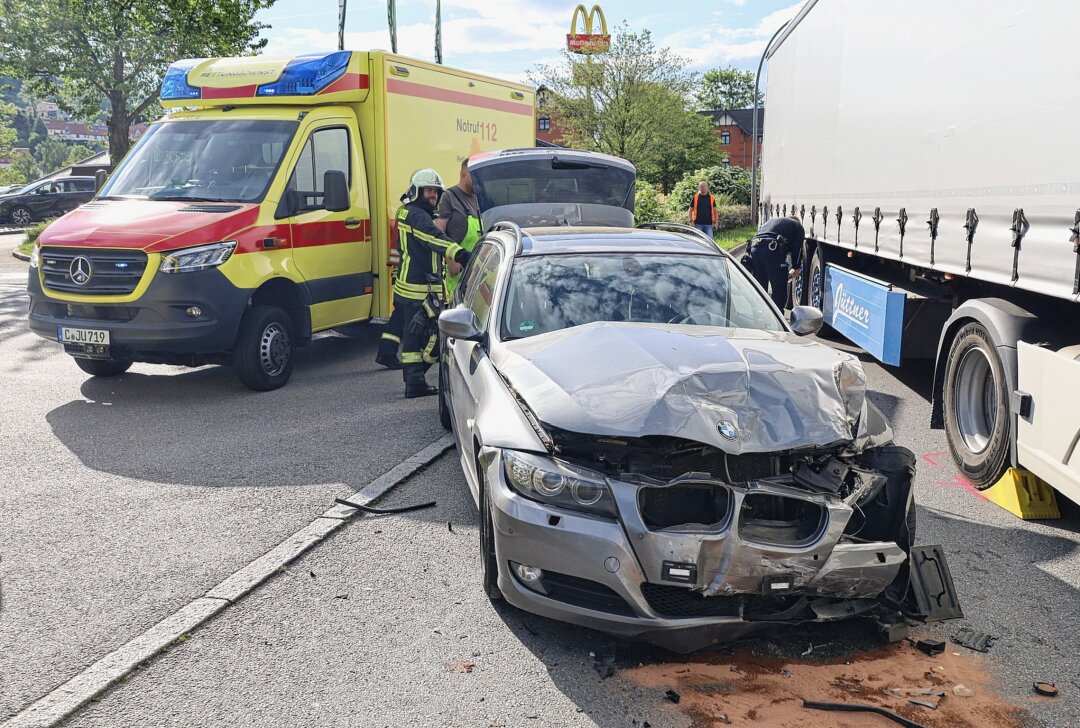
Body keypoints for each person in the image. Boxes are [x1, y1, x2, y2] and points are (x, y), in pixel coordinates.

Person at [381, 168, 471, 398]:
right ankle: (415, 382)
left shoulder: (407, 211)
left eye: (436, 192)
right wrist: (460, 254)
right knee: (426, 335)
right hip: (417, 288)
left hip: (407, 285)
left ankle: (407, 372)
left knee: (409, 332)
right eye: (429, 190)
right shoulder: (418, 216)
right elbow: (434, 238)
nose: (433, 195)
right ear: (417, 191)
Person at [435, 157, 482, 299]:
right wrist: (451, 261)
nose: (478, 181)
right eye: (474, 176)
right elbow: (438, 232)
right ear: (463, 174)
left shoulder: (479, 198)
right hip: (458, 271)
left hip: (478, 267)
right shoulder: (449, 197)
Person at [747, 214, 805, 310]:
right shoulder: (797, 226)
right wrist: (796, 267)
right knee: (779, 292)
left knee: (760, 289)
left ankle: (758, 316)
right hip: (772, 250)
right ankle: (777, 321)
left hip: (755, 250)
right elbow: (797, 249)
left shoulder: (770, 222)